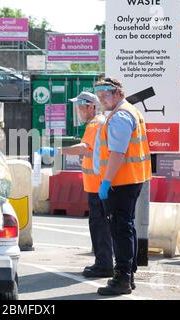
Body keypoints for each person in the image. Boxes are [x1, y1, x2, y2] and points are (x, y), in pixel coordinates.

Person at [92, 78, 151, 296]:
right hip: (129, 180)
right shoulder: (129, 112)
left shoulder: (120, 116)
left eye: (105, 94)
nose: (101, 99)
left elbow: (117, 153)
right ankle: (128, 275)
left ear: (117, 93)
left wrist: (106, 181)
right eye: (99, 96)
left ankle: (122, 278)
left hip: (120, 182)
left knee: (120, 229)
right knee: (126, 227)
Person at [59, 92, 113, 278]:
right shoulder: (100, 122)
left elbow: (84, 148)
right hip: (99, 183)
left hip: (97, 184)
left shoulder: (94, 124)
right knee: (101, 225)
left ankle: (103, 265)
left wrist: (58, 150)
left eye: (81, 107)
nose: (79, 111)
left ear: (90, 106)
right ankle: (104, 262)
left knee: (99, 226)